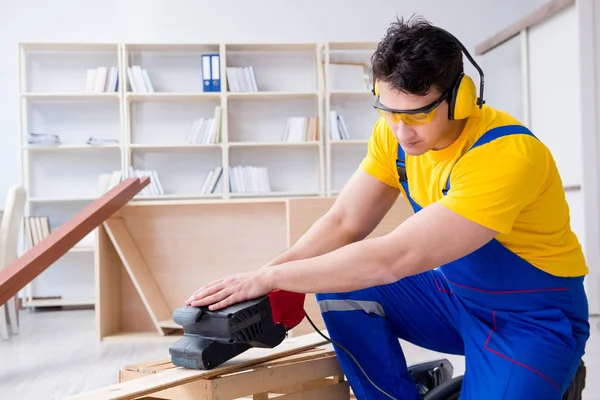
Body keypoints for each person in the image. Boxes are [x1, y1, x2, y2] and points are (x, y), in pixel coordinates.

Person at [186, 16, 590, 399]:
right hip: (455, 297)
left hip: (531, 320)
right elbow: (345, 222)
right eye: (388, 111)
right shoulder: (394, 135)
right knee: (340, 284)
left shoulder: (506, 155)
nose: (401, 130)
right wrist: (271, 280)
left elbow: (396, 257)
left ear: (461, 98)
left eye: (417, 114)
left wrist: (277, 274)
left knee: (355, 270)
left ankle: (554, 374)